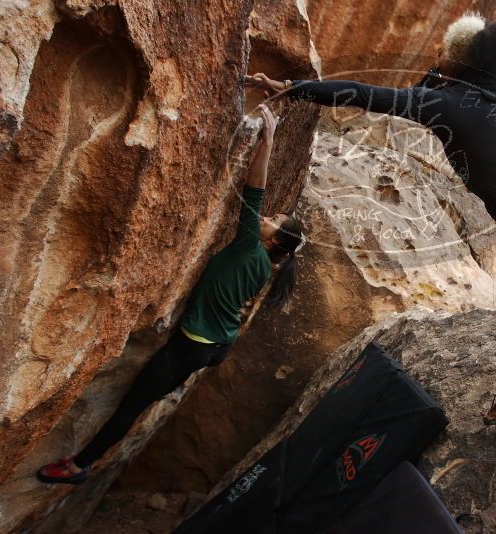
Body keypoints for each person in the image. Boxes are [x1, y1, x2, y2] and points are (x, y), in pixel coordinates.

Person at [249, 14, 496, 487]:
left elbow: (370, 95)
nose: (435, 57)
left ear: (459, 60)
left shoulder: (449, 102)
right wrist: (443, 75)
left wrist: (295, 87)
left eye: (444, 52)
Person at [37, 105, 305, 484]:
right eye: (270, 216)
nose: (265, 218)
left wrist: (268, 140)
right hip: (214, 345)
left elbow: (254, 190)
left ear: (275, 238)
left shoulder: (250, 246)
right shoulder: (264, 263)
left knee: (131, 406)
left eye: (273, 221)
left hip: (192, 346)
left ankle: (80, 466)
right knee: (138, 400)